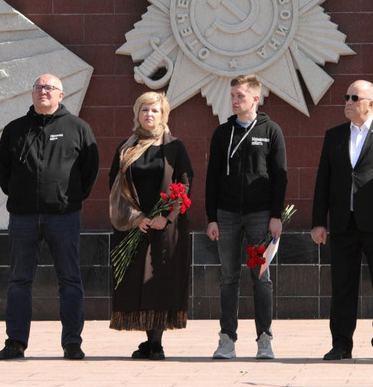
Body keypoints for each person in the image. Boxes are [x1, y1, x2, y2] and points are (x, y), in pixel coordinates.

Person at [0, 74, 99, 361]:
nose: (43, 92)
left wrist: (70, 198)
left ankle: (72, 343)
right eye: (39, 87)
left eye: (49, 88)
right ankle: (15, 342)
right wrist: (20, 195)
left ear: (61, 95)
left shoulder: (78, 128)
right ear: (32, 93)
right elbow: (3, 172)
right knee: (19, 281)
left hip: (63, 217)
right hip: (23, 218)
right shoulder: (15, 129)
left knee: (69, 280)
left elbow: (90, 171)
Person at [311, 80, 373, 361]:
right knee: (342, 285)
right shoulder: (334, 136)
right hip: (343, 223)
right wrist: (319, 221)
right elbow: (323, 181)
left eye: (355, 97)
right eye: (347, 97)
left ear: (372, 104)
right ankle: (341, 343)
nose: (349, 102)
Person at [205, 75, 287, 360]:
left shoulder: (271, 130)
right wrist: (211, 217)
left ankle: (264, 339)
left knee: (260, 277)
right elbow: (212, 176)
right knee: (228, 277)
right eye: (232, 95)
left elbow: (280, 177)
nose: (234, 100)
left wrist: (275, 216)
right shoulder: (222, 132)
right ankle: (226, 339)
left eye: (240, 95)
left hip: (260, 218)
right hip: (226, 217)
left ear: (255, 98)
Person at [108, 92, 194, 360]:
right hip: (133, 226)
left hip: (164, 229)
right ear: (137, 114)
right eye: (144, 110)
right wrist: (136, 217)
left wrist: (165, 216)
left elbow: (185, 183)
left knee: (159, 281)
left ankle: (156, 343)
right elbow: (114, 186)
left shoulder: (175, 147)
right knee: (137, 283)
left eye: (155, 111)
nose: (149, 115)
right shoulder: (126, 148)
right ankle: (148, 341)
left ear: (163, 115)